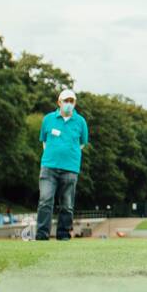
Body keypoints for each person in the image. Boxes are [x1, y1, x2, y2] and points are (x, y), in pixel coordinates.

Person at [36, 88, 88, 241]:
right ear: (59, 102)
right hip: (48, 167)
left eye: (72, 101)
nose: (69, 104)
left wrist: (68, 153)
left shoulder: (81, 122)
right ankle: (42, 235)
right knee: (45, 201)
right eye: (66, 101)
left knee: (67, 205)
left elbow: (82, 143)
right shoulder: (48, 119)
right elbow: (44, 141)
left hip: (70, 168)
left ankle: (63, 235)